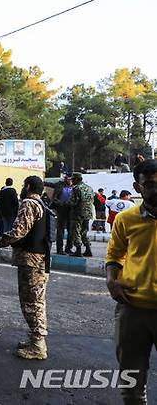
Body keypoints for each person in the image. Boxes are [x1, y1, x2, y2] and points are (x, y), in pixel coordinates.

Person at [106, 159, 157, 404]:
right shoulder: (126, 219)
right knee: (132, 384)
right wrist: (111, 281)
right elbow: (114, 255)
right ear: (138, 188)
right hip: (132, 310)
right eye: (149, 184)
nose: (155, 188)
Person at [0, 176, 51, 360]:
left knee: (31, 302)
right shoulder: (41, 204)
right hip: (40, 259)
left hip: (31, 260)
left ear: (27, 186)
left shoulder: (29, 203)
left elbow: (19, 231)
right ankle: (35, 338)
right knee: (36, 300)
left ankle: (38, 345)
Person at [65, 172, 94, 257]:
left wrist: (64, 204)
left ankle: (78, 250)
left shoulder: (76, 189)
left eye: (73, 179)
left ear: (77, 179)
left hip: (77, 213)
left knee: (76, 231)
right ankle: (88, 249)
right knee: (84, 232)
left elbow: (72, 202)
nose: (72, 181)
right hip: (88, 213)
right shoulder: (89, 188)